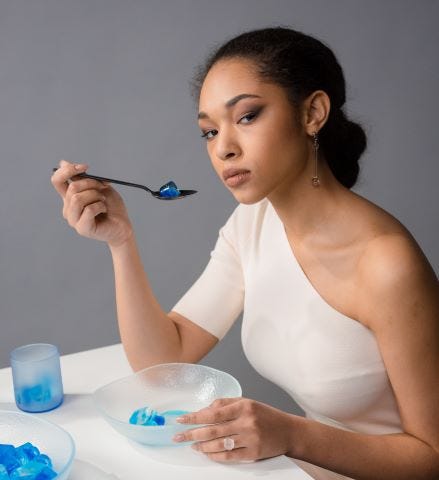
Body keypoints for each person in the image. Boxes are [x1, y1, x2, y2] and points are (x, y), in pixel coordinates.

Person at [51, 27, 439, 480]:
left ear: (313, 113)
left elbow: (431, 456)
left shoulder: (385, 263)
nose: (223, 147)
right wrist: (120, 241)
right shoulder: (252, 224)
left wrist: (295, 436)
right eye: (209, 131)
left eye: (248, 116)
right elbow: (161, 364)